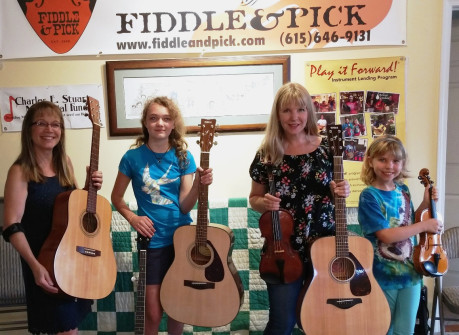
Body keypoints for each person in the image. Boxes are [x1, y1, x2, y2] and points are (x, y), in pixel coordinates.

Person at [248, 82, 350, 335]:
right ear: (277, 115)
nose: (294, 117)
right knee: (282, 322)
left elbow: (338, 191)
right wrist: (265, 203)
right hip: (282, 249)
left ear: (309, 113)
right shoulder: (267, 153)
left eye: (301, 110)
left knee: (322, 321)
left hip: (324, 247)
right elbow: (254, 199)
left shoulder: (328, 149)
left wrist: (343, 191)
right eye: (287, 111)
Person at [111, 96, 213, 335]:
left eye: (166, 119)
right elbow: (116, 197)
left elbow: (186, 206)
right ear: (145, 123)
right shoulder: (132, 158)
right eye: (154, 118)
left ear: (173, 123)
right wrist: (133, 218)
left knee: (178, 308)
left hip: (182, 240)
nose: (160, 123)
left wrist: (199, 183)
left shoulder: (183, 157)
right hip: (152, 242)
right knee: (153, 313)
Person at [2, 100, 103, 335]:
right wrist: (35, 266)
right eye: (42, 123)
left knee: (69, 328)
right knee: (64, 329)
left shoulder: (65, 163)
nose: (50, 130)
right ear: (29, 129)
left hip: (71, 259)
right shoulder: (20, 171)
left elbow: (76, 208)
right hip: (43, 263)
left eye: (56, 124)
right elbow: (11, 225)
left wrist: (90, 186)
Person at [358, 135, 442, 335]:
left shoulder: (402, 189)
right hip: (383, 276)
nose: (390, 166)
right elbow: (386, 236)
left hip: (411, 273)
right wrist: (424, 226)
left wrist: (425, 202)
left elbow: (409, 222)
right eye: (382, 159)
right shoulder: (369, 195)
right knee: (384, 329)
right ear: (370, 160)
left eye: (395, 161)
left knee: (405, 331)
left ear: (402, 163)